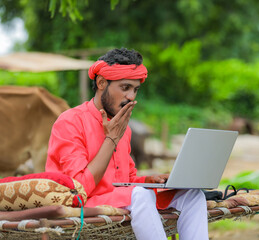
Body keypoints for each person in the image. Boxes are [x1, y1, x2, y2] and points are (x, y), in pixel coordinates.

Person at [46, 48, 209, 240]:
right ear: (101, 83)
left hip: (121, 199)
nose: (131, 97)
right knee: (140, 195)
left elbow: (126, 179)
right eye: (125, 88)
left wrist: (149, 181)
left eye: (135, 89)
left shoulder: (124, 127)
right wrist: (111, 139)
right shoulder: (70, 121)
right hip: (80, 203)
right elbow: (79, 189)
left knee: (192, 194)